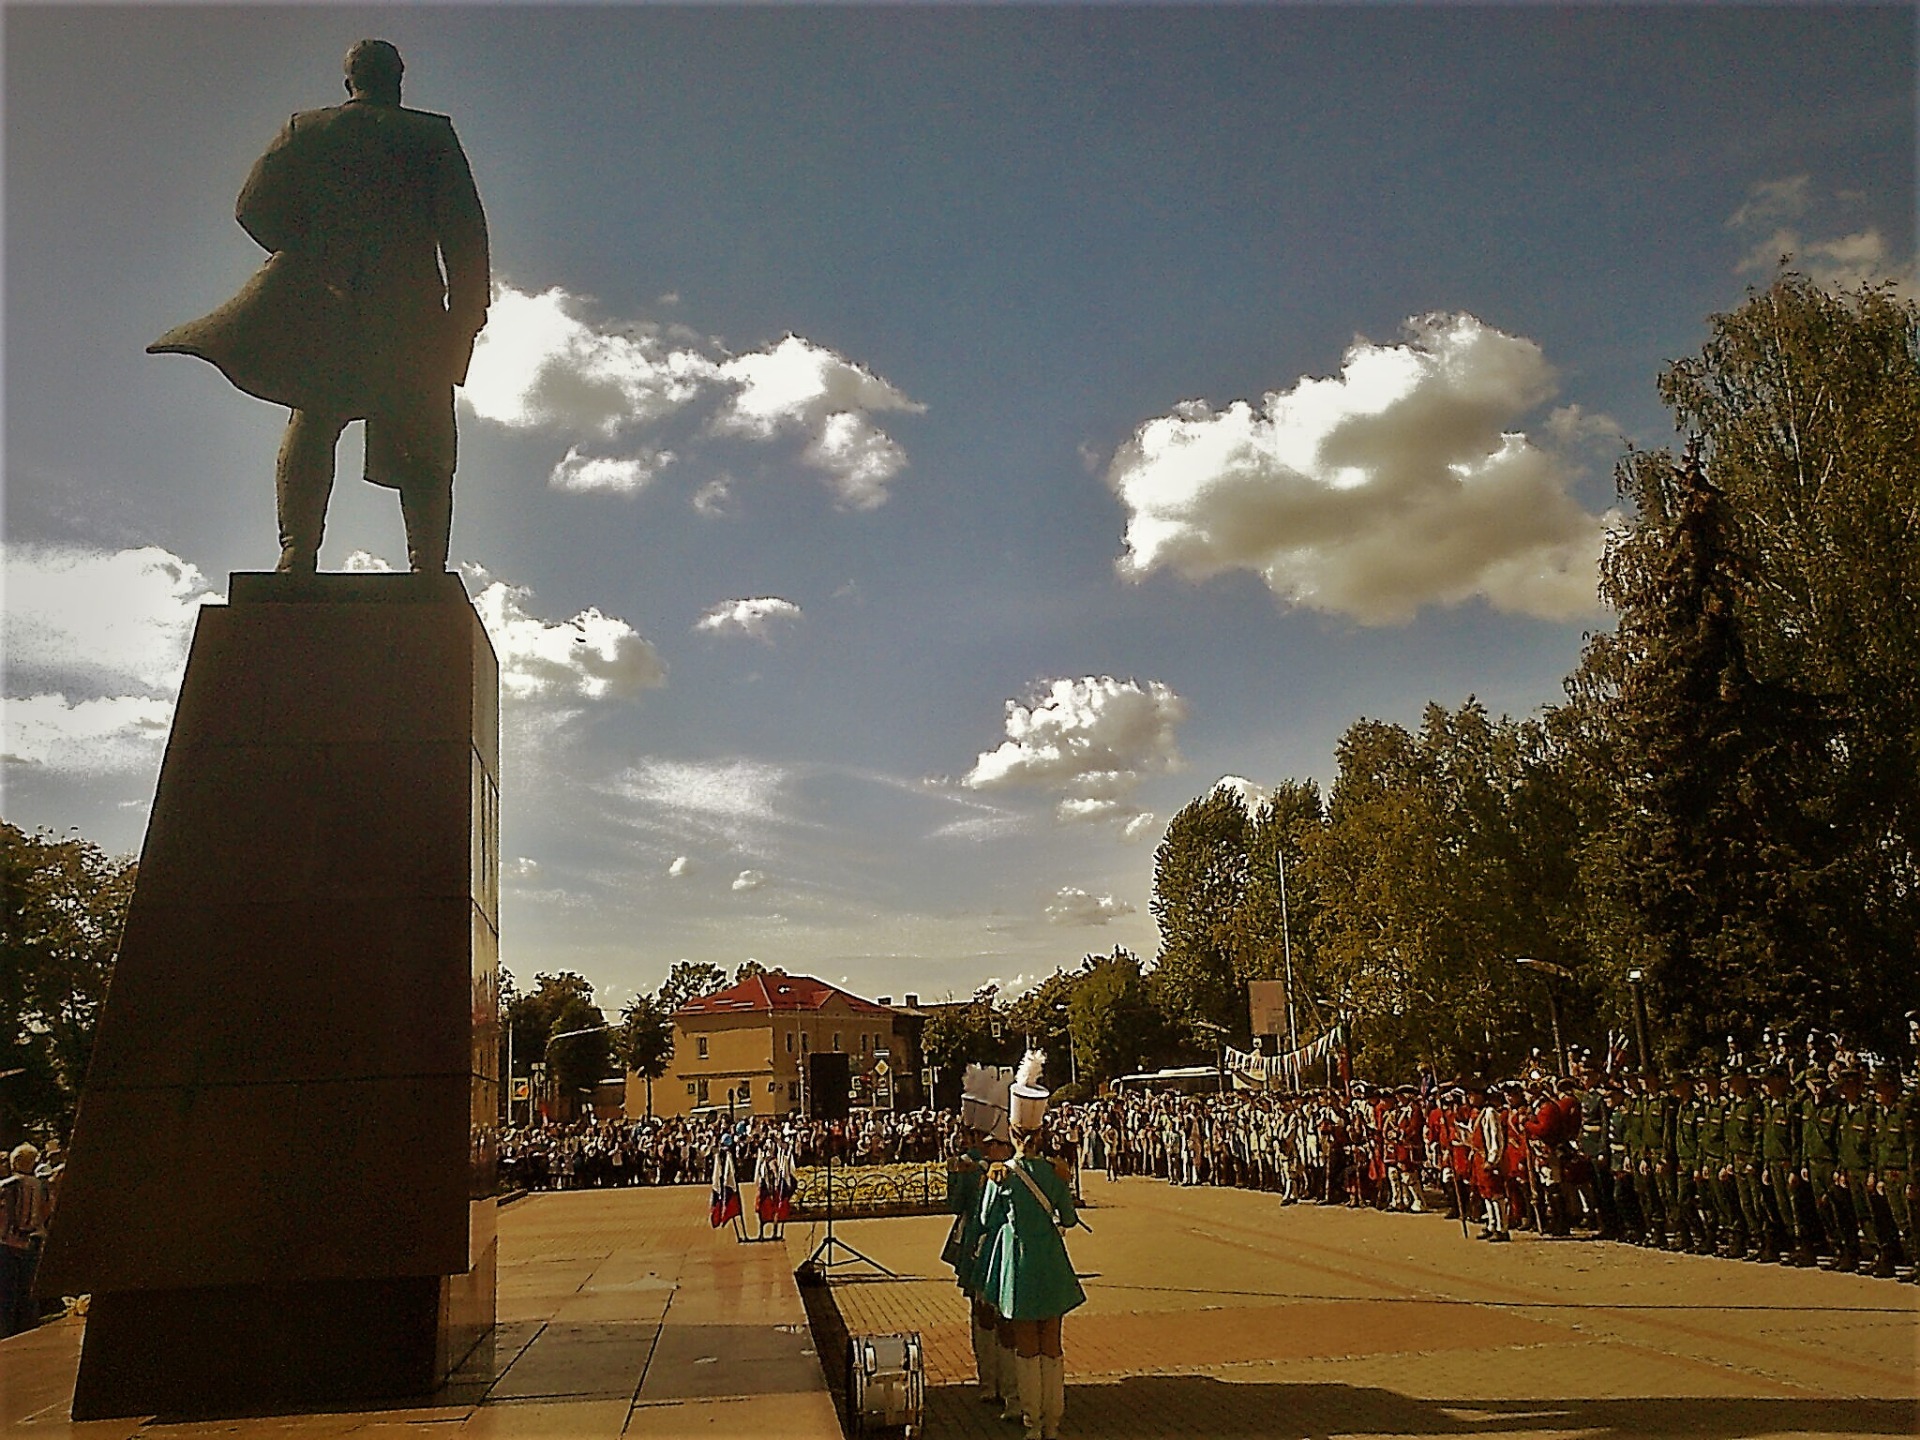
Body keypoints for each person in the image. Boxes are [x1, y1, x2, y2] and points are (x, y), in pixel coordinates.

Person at [149, 39, 490, 573]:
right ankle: (426, 565)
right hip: (411, 309)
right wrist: (469, 311)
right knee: (425, 434)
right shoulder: (429, 134)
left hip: (329, 301)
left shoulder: (305, 129)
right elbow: (464, 232)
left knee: (314, 419)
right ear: (398, 77)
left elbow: (252, 207)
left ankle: (297, 552)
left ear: (348, 80)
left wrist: (309, 253)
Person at [977, 1052, 1085, 1440]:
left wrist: (994, 1183)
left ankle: (1031, 1424)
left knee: (1026, 1348)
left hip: (1019, 1265)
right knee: (1052, 1346)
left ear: (1014, 1133)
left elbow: (987, 1220)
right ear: (1039, 1134)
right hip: (1052, 1264)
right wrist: (1064, 1180)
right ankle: (1053, 1422)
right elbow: (1069, 1219)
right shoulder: (1054, 1171)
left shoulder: (1001, 1175)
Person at [0, 1144, 50, 1337]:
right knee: (28, 1294)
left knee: (6, 1296)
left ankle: (6, 1335)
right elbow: (47, 1209)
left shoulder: (6, 1186)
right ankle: (30, 1332)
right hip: (31, 1242)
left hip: (6, 1243)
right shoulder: (42, 1186)